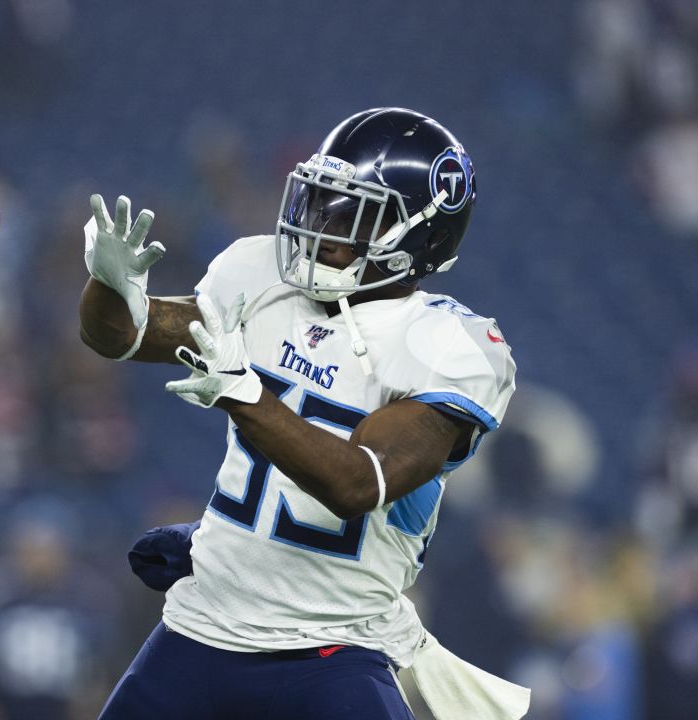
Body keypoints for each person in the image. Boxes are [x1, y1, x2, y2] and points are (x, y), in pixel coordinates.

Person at [80, 107, 520, 719]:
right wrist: (106, 283)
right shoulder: (261, 277)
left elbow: (357, 482)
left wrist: (244, 392)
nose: (318, 220)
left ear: (415, 237)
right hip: (203, 624)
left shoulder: (446, 347)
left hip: (331, 651)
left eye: (349, 211)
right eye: (320, 199)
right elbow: (120, 334)